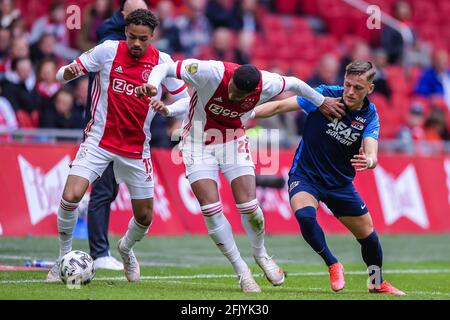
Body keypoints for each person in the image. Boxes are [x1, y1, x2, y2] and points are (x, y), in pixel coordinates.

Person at [137, 58, 344, 292]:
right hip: (196, 142)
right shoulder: (212, 71)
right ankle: (242, 271)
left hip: (233, 140)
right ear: (232, 79)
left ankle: (261, 254)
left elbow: (295, 83)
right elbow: (165, 67)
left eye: (239, 95)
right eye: (232, 90)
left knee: (250, 208)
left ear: (253, 91)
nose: (233, 96)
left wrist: (321, 101)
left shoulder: (268, 84)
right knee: (211, 209)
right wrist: (153, 86)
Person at [46, 9, 189, 283]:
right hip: (99, 140)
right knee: (70, 196)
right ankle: (62, 259)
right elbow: (62, 74)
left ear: (152, 37)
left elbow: (186, 100)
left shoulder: (164, 62)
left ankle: (125, 249)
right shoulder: (107, 51)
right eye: (132, 37)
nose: (136, 43)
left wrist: (167, 110)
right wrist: (69, 72)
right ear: (125, 32)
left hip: (137, 149)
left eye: (143, 39)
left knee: (145, 217)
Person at [253, 61, 406, 295]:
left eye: (357, 87)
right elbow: (278, 107)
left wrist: (370, 161)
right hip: (305, 176)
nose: (350, 92)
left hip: (339, 184)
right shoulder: (323, 96)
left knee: (369, 238)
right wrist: (244, 115)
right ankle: (333, 264)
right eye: (347, 85)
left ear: (370, 89)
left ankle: (376, 282)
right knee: (305, 217)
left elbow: (372, 149)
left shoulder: (369, 115)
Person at [86, 0, 149, 271]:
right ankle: (99, 252)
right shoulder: (110, 40)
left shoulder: (135, 44)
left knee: (109, 190)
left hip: (128, 132)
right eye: (135, 15)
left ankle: (103, 249)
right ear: (123, 19)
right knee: (101, 191)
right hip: (104, 128)